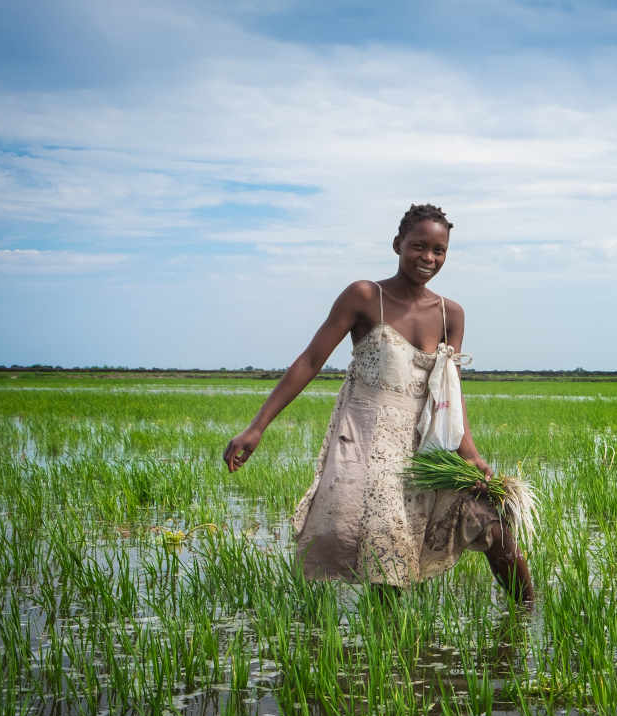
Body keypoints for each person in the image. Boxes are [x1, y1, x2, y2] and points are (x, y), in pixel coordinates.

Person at [223, 204, 534, 603]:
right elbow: (310, 361)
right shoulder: (366, 296)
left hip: (427, 448)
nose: (428, 258)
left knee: (492, 523)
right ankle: (385, 655)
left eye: (439, 250)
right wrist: (257, 426)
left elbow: (448, 390)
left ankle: (529, 621)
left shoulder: (450, 313)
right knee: (386, 557)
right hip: (371, 447)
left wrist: (468, 453)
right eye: (418, 246)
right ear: (397, 245)